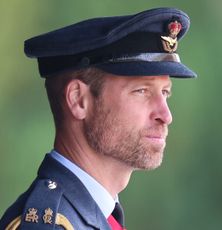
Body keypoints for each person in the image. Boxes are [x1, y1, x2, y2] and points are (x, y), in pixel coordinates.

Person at [0, 7, 196, 230]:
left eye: (165, 93)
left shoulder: (97, 216)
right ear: (78, 100)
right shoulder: (52, 225)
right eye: (141, 91)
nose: (166, 115)